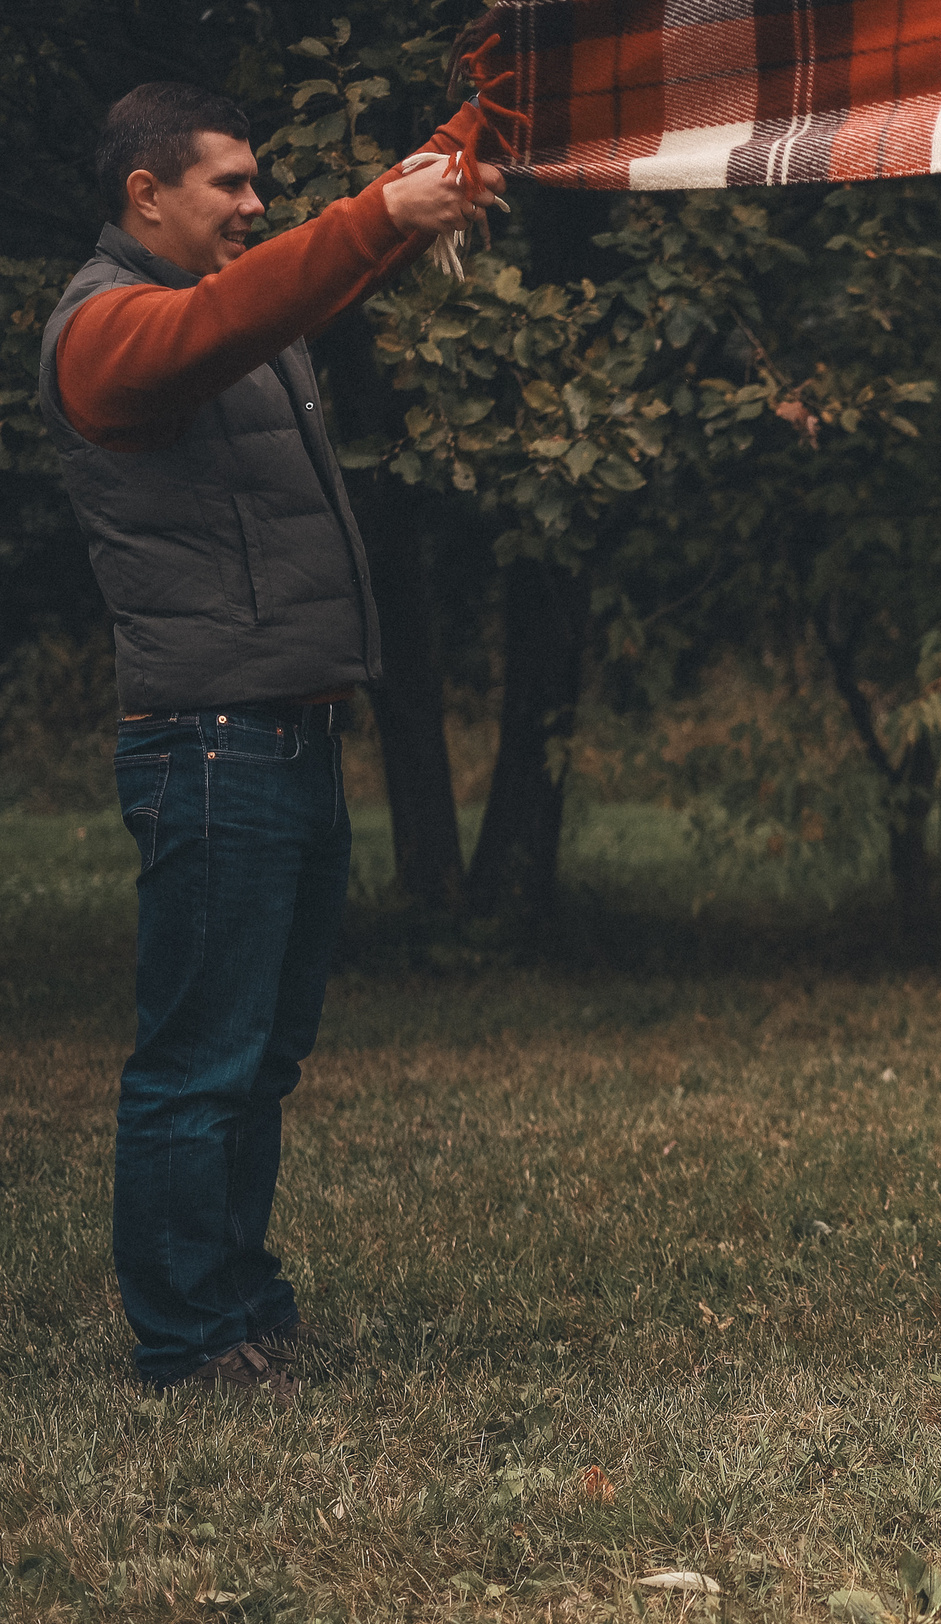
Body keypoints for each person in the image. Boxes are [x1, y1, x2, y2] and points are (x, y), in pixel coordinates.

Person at [37, 80, 505, 1399]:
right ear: (146, 194)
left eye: (259, 183)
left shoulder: (229, 309)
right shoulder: (106, 329)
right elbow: (245, 309)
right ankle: (188, 1344)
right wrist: (377, 215)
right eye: (229, 184)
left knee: (261, 1058)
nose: (256, 203)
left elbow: (310, 281)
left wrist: (476, 133)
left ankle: (242, 1308)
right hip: (207, 746)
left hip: (286, 737)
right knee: (200, 1063)